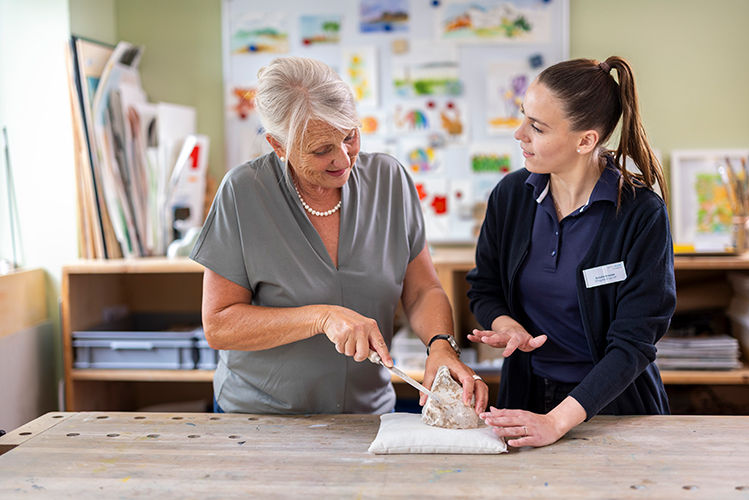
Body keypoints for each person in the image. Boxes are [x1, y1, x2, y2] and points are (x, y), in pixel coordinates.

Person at [191, 56, 487, 415]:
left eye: (349, 137)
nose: (344, 158)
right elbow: (220, 325)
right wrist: (321, 317)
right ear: (278, 145)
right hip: (261, 418)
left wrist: (441, 345)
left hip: (368, 415)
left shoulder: (389, 180)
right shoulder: (243, 192)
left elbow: (423, 289)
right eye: (321, 150)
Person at [466, 57, 676, 447]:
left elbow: (633, 343)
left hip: (614, 409)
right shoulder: (511, 196)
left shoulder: (641, 214)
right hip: (525, 399)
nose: (519, 133)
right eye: (523, 117)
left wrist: (557, 422)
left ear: (586, 140)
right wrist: (503, 324)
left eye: (537, 127)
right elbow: (485, 287)